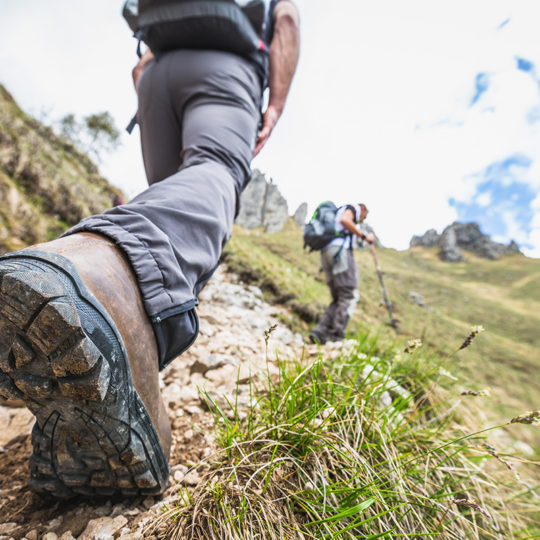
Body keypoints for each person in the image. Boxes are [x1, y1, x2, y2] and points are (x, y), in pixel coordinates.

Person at [0, 0, 300, 498]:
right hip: (226, 66)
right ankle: (101, 282)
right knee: (216, 172)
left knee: (169, 194)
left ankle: (106, 367)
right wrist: (276, 103)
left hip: (157, 73)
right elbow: (286, 17)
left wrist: (147, 80)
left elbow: (139, 54)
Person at [309, 204, 375, 345]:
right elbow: (345, 220)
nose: (363, 220)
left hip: (327, 253)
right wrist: (364, 236)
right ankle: (336, 337)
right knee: (348, 293)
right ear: (362, 209)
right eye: (365, 216)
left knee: (338, 297)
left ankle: (320, 331)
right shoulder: (353, 208)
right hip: (340, 253)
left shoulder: (337, 213)